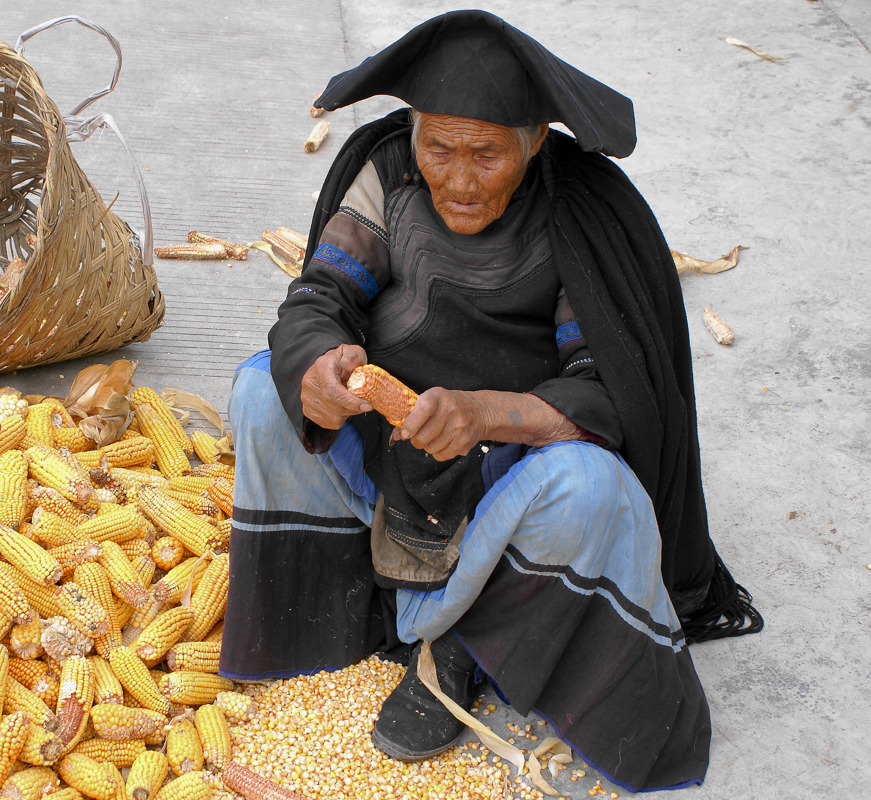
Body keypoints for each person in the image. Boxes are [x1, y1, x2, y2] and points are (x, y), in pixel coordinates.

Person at [218, 10, 761, 793]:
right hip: (394, 449)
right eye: (438, 147)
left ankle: (462, 648)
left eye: (486, 153)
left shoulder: (578, 215)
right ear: (412, 133)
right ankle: (352, 606)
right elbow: (320, 295)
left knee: (592, 491)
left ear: (536, 140)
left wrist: (486, 414)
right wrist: (316, 362)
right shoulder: (384, 173)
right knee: (261, 387)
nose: (458, 178)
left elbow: (609, 393)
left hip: (509, 466)